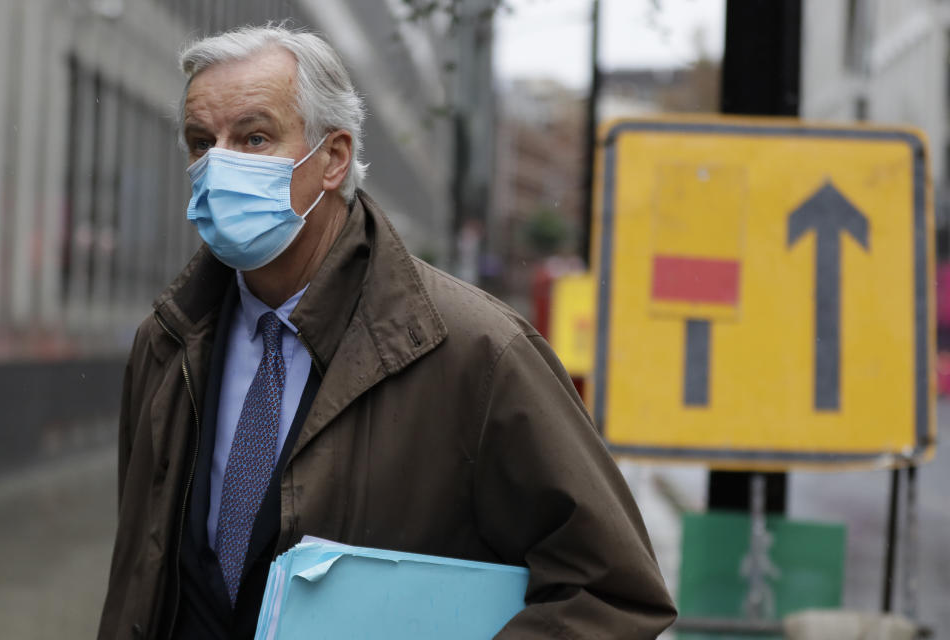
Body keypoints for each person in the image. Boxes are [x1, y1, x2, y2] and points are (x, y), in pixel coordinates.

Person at [98, 24, 676, 640]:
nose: (218, 164)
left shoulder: (477, 352)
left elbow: (612, 592)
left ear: (333, 157)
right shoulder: (166, 343)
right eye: (199, 142)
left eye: (255, 137)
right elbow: (145, 574)